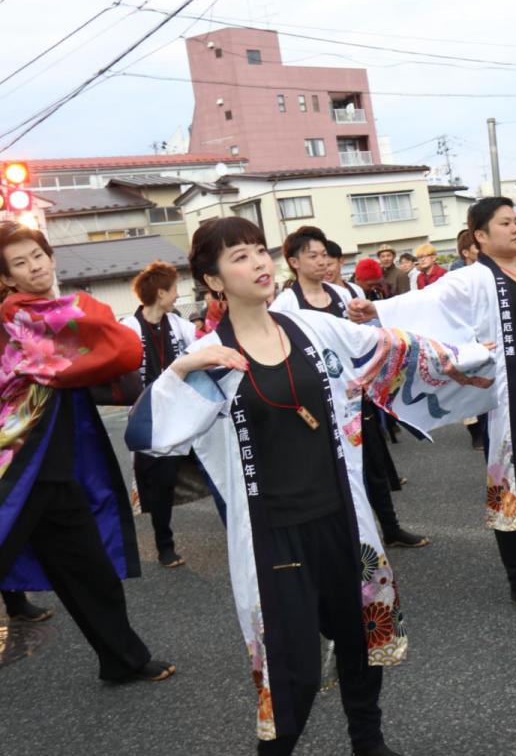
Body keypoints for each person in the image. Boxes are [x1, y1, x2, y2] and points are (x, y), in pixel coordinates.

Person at [127, 217, 491, 754]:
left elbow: (391, 349)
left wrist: (468, 355)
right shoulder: (211, 357)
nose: (257, 263)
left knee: (361, 638)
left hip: (340, 516)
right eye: (239, 257)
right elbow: (145, 434)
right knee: (290, 666)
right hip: (273, 535)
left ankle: (368, 739)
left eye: (258, 250)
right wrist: (181, 368)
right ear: (212, 280)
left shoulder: (311, 329)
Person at [348, 198, 516, 612]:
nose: (514, 229)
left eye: (515, 221)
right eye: (504, 223)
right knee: (512, 495)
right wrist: (377, 310)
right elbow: (425, 304)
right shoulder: (472, 279)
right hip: (513, 406)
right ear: (480, 236)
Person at [0, 222, 175, 684]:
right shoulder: (22, 314)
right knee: (84, 569)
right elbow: (121, 345)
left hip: (49, 470)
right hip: (15, 470)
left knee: (88, 571)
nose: (34, 266)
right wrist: (89, 307)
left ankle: (123, 660)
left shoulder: (37, 310)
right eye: (20, 262)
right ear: (8, 278)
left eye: (38, 255)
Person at [273, 228, 426, 550]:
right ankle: (349, 537)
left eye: (324, 255)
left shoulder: (345, 292)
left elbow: (363, 336)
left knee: (373, 463)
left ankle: (391, 527)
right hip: (319, 398)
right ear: (293, 262)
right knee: (335, 469)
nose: (321, 262)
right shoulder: (286, 303)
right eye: (312, 256)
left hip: (357, 392)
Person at [120, 261, 198, 568]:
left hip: (183, 410)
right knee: (159, 481)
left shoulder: (179, 326)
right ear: (160, 292)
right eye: (175, 289)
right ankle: (164, 543)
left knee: (210, 464)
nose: (178, 295)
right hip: (148, 414)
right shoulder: (129, 328)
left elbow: (204, 343)